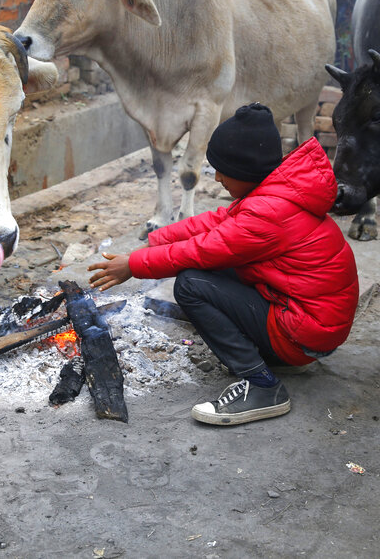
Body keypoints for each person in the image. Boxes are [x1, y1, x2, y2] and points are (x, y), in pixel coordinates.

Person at [88, 103, 359, 426]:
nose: (216, 178)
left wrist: (133, 265)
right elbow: (213, 222)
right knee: (210, 271)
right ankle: (270, 359)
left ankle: (263, 386)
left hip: (303, 334)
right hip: (308, 322)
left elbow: (202, 251)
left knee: (191, 284)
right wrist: (153, 242)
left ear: (246, 171)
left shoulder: (267, 214)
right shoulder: (275, 195)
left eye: (222, 170)